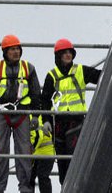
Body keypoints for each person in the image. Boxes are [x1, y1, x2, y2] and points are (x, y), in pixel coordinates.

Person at [0, 35, 40, 193]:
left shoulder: (29, 68)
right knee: (0, 152)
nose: (15, 52)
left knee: (24, 153)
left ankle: (25, 188)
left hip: (22, 113)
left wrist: (35, 116)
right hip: (1, 114)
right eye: (12, 49)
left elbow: (36, 94)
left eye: (17, 49)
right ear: (5, 52)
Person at [40, 38, 101, 186]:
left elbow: (102, 76)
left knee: (74, 155)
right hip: (59, 122)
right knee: (62, 159)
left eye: (70, 52)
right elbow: (45, 101)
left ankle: (76, 186)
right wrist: (46, 120)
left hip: (76, 119)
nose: (68, 55)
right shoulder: (52, 76)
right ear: (58, 56)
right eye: (64, 53)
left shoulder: (81, 71)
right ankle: (66, 186)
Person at [28, 114, 55, 193]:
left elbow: (39, 136)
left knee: (41, 177)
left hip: (44, 152)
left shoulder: (34, 116)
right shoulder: (39, 114)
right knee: (35, 178)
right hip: (41, 152)